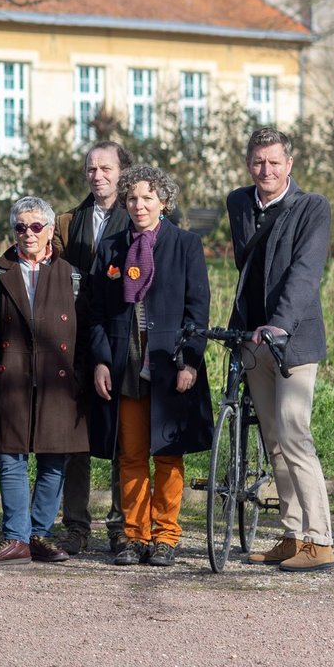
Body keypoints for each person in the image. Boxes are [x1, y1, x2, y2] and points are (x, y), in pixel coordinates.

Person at [86, 165, 211, 567]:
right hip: (126, 366)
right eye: (133, 198)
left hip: (169, 365)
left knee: (168, 454)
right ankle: (134, 535)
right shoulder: (111, 247)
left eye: (147, 198)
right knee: (131, 454)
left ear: (164, 203)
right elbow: (95, 313)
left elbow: (198, 311)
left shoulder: (185, 245)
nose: (139, 206)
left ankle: (166, 536)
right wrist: (102, 360)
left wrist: (189, 362)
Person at [226, 127, 334, 572]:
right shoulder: (239, 203)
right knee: (273, 441)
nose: (265, 170)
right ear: (249, 164)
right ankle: (292, 534)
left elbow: (306, 273)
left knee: (294, 434)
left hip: (294, 339)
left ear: (289, 165)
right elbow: (247, 269)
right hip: (253, 340)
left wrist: (279, 324)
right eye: (258, 162)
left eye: (274, 162)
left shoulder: (312, 207)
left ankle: (321, 539)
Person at [0, 196, 89, 565]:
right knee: (11, 458)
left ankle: (37, 533)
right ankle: (15, 537)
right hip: (12, 376)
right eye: (21, 227)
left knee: (55, 459)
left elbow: (86, 330)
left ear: (51, 231)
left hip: (60, 377)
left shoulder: (71, 276)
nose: (28, 234)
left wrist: (86, 372)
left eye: (36, 226)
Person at [52, 140, 132, 556]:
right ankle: (76, 526)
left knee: (122, 435)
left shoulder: (137, 216)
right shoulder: (68, 222)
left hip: (121, 338)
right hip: (75, 339)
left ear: (123, 171)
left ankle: (120, 525)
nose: (97, 176)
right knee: (75, 437)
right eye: (90, 169)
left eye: (106, 168)